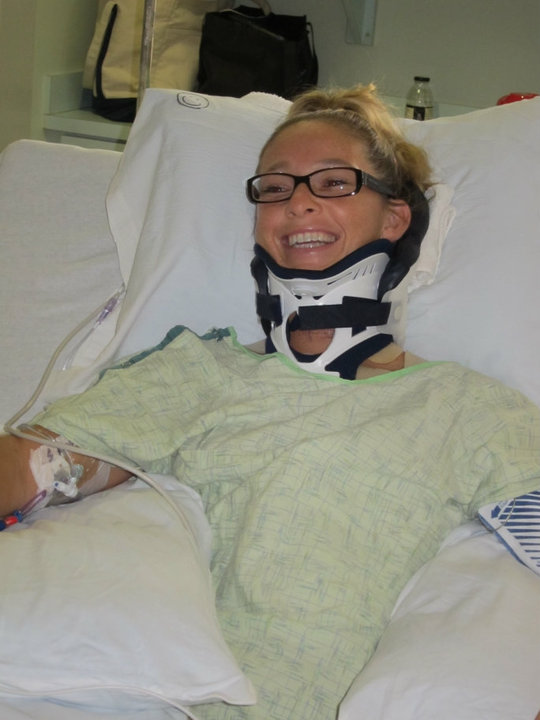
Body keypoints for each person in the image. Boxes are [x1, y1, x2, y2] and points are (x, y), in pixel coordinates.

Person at [1, 84, 539, 720]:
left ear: (395, 219)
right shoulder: (196, 370)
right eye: (276, 188)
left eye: (334, 183)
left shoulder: (466, 409)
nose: (298, 202)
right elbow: (38, 466)